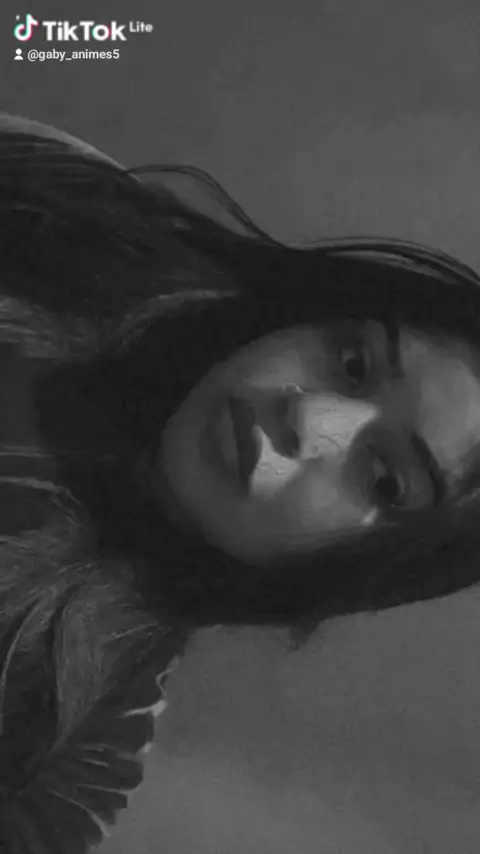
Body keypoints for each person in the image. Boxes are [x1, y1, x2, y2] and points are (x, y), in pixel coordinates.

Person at [1, 116, 480, 851]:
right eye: (353, 363)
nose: (309, 419)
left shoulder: (73, 723)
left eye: (384, 478)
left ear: (369, 569)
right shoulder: (74, 212)